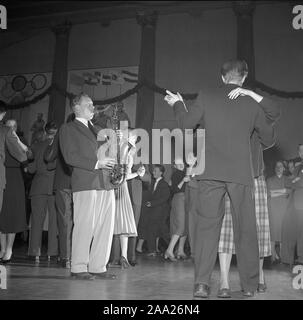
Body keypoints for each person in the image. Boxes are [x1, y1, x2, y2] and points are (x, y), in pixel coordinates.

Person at [165, 59, 276, 298]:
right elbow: (269, 139)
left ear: (222, 77)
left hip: (211, 173)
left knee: (206, 228)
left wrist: (178, 104)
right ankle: (249, 286)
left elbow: (186, 124)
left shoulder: (206, 96)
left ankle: (201, 284)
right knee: (246, 229)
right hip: (240, 174)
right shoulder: (250, 102)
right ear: (244, 78)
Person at [59, 93, 116, 280]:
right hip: (85, 182)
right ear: (76, 108)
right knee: (84, 225)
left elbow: (108, 153)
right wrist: (96, 163)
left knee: (105, 227)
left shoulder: (99, 129)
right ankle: (78, 267)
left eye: (93, 104)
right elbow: (70, 156)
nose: (93, 108)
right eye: (89, 104)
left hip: (105, 183)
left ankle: (98, 266)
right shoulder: (68, 129)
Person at [109, 130, 145, 268]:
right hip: (116, 188)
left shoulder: (128, 154)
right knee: (118, 222)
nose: (135, 141)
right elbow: (120, 175)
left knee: (121, 222)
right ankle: (119, 257)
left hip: (120, 188)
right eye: (133, 138)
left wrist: (137, 173)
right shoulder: (123, 151)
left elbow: (124, 176)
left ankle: (123, 257)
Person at [44, 115, 74, 268]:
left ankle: (66, 257)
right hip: (82, 183)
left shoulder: (62, 134)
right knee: (82, 222)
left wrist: (52, 142)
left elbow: (48, 156)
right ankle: (80, 256)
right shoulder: (88, 134)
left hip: (63, 183)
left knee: (64, 221)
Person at [28, 121, 58, 263]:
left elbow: (32, 169)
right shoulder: (60, 147)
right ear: (56, 132)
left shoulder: (36, 146)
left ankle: (35, 252)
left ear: (45, 132)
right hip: (54, 187)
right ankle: (52, 253)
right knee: (54, 222)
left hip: (38, 186)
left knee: (36, 221)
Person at [0, 103, 27, 262]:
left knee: (12, 215)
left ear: (16, 128)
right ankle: (2, 248)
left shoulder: (18, 139)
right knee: (2, 216)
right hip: (3, 175)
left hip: (14, 177)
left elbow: (28, 155)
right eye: (7, 125)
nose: (10, 127)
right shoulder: (4, 134)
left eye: (13, 126)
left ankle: (9, 249)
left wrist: (20, 142)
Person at [281, 145, 303, 265]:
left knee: (301, 232)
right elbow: (287, 181)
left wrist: (295, 182)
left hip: (301, 204)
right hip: (295, 203)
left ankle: (301, 257)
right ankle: (294, 258)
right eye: (300, 150)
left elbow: (298, 182)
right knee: (294, 231)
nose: (302, 152)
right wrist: (295, 181)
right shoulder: (298, 166)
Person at [165, 158, 190, 261]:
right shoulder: (177, 174)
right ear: (174, 166)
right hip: (180, 198)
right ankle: (169, 250)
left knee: (185, 226)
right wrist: (183, 181)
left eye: (181, 163)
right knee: (180, 225)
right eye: (177, 164)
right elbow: (176, 189)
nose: (180, 165)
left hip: (183, 199)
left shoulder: (181, 173)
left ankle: (180, 250)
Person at [143, 165, 170, 256]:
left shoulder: (164, 184)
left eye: (155, 171)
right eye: (153, 171)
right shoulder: (154, 183)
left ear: (161, 173)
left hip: (160, 212)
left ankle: (173, 248)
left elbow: (164, 198)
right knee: (152, 230)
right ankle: (152, 251)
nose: (153, 172)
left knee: (163, 231)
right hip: (153, 211)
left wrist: (152, 203)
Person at [267, 161, 290, 263]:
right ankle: (272, 256)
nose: (278, 168)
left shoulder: (287, 179)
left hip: (284, 210)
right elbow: (269, 194)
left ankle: (283, 257)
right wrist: (282, 191)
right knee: (272, 233)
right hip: (273, 210)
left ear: (284, 168)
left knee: (283, 234)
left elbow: (289, 191)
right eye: (276, 166)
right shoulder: (269, 180)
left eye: (280, 166)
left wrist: (275, 192)